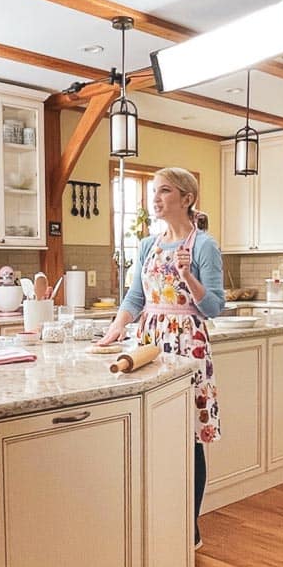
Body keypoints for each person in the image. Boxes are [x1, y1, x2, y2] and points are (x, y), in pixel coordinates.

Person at [99, 168, 224, 544]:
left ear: (187, 198)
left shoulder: (204, 246)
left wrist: (189, 278)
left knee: (188, 437)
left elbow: (215, 307)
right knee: (153, 430)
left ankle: (190, 527)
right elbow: (135, 297)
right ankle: (161, 522)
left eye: (164, 191)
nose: (155, 198)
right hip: (150, 341)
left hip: (188, 344)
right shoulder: (147, 245)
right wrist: (116, 328)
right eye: (154, 191)